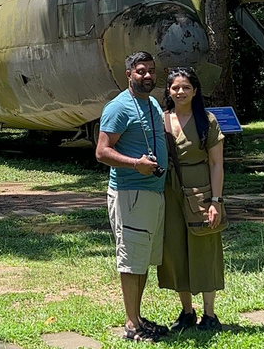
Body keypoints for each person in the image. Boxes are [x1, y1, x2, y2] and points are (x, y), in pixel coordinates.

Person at [95, 51, 169, 342]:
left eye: (151, 70)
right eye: (141, 71)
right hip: (130, 195)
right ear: (128, 74)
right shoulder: (118, 107)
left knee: (143, 260)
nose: (148, 75)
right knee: (130, 261)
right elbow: (102, 152)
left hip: (153, 193)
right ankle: (130, 324)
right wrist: (134, 164)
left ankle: (138, 317)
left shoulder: (151, 103)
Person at [158, 67, 226, 332]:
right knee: (175, 250)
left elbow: (216, 164)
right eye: (175, 87)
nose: (180, 92)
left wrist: (216, 200)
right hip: (170, 191)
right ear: (168, 91)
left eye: (186, 87)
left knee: (205, 247)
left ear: (195, 91)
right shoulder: (162, 120)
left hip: (201, 191)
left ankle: (210, 314)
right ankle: (187, 311)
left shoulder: (206, 121)